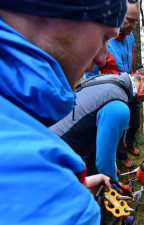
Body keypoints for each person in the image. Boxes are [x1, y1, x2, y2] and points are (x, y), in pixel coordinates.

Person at [0, 0, 128, 224]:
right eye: (104, 38)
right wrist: (72, 195)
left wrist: (77, 184)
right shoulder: (67, 208)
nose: (101, 58)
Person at [50, 61, 144, 181]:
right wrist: (115, 185)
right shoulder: (119, 108)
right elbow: (103, 164)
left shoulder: (108, 79)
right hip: (58, 160)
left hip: (50, 137)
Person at [85, 1, 140, 168]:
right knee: (119, 126)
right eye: (130, 20)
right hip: (113, 94)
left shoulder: (130, 37)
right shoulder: (105, 39)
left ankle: (128, 144)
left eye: (136, 21)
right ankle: (121, 154)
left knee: (135, 122)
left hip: (131, 87)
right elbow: (91, 76)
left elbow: (131, 58)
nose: (134, 25)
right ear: (119, 15)